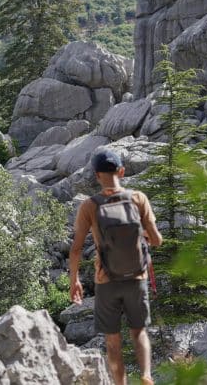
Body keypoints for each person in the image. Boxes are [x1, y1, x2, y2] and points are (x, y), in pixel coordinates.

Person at [69, 149, 163, 385]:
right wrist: (144, 236)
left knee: (113, 340)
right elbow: (158, 240)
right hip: (136, 277)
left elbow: (76, 248)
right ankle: (146, 374)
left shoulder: (90, 206)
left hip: (106, 280)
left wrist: (75, 281)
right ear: (122, 171)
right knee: (138, 331)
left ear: (96, 175)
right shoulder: (138, 198)